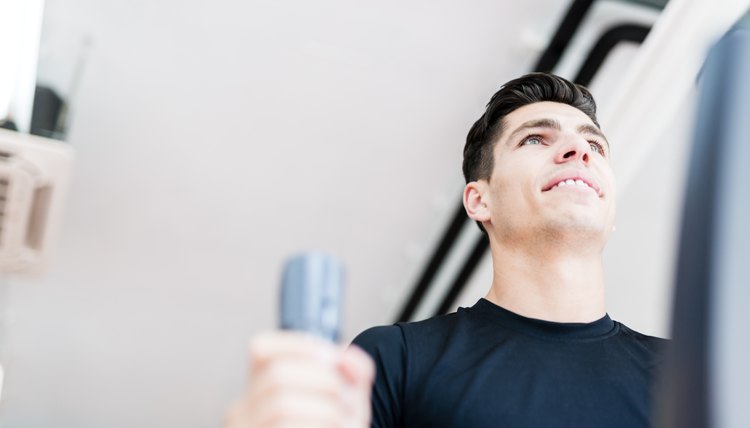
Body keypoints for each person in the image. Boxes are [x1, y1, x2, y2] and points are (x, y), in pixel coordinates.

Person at [226, 73, 668, 428]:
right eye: (535, 139)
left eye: (595, 145)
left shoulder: (689, 378)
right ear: (480, 200)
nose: (579, 151)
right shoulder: (394, 360)